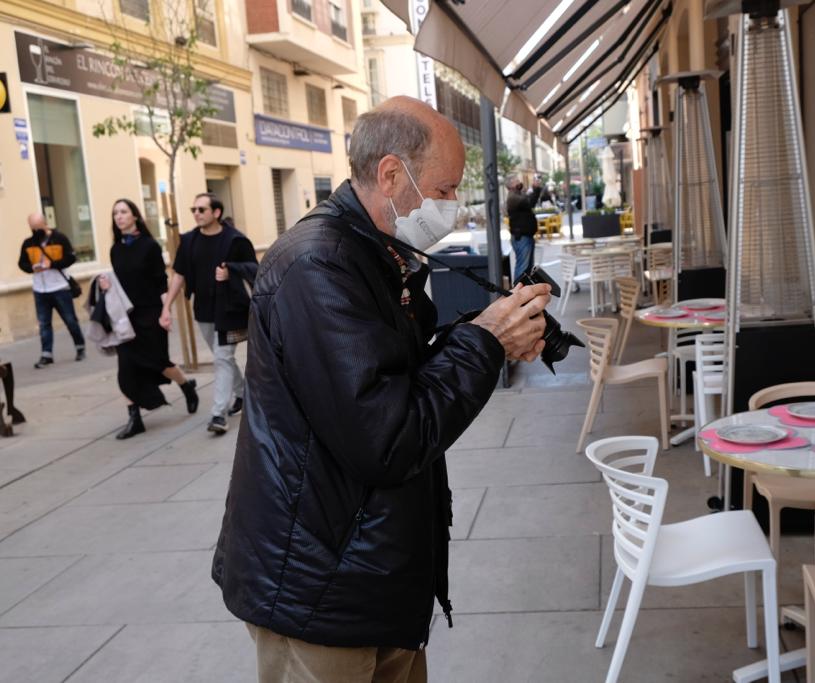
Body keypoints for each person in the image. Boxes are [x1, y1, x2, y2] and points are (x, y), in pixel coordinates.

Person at [212, 96, 551, 683]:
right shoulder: (317, 265)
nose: (453, 208)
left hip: (367, 572)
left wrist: (483, 334)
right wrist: (484, 343)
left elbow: (397, 375)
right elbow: (388, 437)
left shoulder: (374, 251)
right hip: (320, 589)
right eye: (444, 190)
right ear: (392, 175)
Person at [97, 199, 199, 440]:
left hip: (150, 313)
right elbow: (121, 283)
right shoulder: (116, 249)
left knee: (158, 362)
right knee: (126, 369)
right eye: (115, 213)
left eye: (123, 212)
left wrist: (166, 312)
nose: (119, 217)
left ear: (135, 216)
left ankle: (186, 386)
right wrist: (107, 285)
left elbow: (160, 282)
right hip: (126, 317)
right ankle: (135, 418)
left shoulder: (149, 246)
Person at [160, 193, 256, 435]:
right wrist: (166, 307)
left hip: (230, 310)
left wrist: (231, 272)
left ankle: (218, 414)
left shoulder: (235, 240)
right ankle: (243, 394)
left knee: (222, 358)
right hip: (203, 309)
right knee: (221, 357)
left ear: (216, 213)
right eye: (194, 209)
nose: (196, 213)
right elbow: (179, 274)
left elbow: (255, 269)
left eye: (201, 209)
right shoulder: (190, 241)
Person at [17, 213, 86, 368]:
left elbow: (71, 258)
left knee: (70, 320)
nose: (35, 230)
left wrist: (52, 264)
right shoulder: (28, 243)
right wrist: (32, 268)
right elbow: (22, 263)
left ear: (44, 223)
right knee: (44, 323)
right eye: (32, 227)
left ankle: (80, 347)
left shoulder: (59, 238)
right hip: (40, 289)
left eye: (37, 226)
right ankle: (46, 354)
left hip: (60, 287)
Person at [505, 175, 542, 281]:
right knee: (522, 268)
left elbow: (530, 201)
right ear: (511, 185)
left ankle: (525, 292)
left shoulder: (518, 195)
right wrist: (535, 189)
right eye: (517, 181)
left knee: (528, 269)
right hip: (522, 237)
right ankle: (517, 292)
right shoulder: (513, 197)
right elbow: (530, 202)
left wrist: (535, 189)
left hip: (526, 236)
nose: (519, 182)